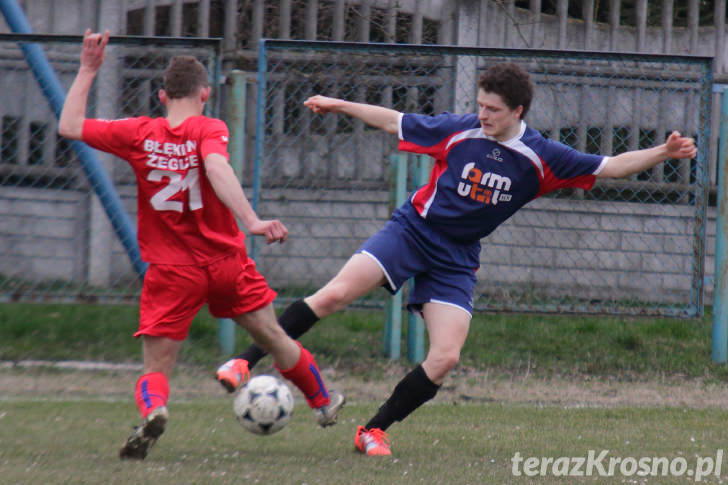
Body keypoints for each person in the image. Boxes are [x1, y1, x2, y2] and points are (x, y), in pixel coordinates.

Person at [215, 62, 698, 456]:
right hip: (412, 232)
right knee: (335, 294)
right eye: (480, 105)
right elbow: (393, 120)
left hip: (456, 259)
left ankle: (372, 431)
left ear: (518, 111)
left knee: (445, 358)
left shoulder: (541, 155)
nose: (482, 114)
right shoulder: (461, 130)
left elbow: (609, 166)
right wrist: (337, 103)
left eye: (492, 109)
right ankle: (244, 360)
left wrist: (663, 151)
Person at [58, 30, 345, 460]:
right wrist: (250, 220)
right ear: (205, 94)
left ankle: (154, 412)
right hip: (225, 261)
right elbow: (215, 167)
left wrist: (87, 69)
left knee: (157, 366)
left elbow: (69, 126)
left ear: (161, 95)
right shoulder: (209, 127)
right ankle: (323, 402)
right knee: (272, 335)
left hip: (172, 270)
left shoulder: (138, 132)